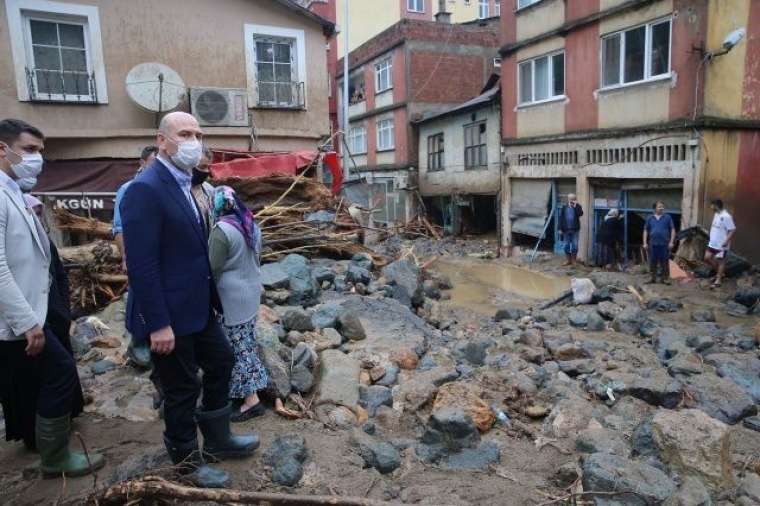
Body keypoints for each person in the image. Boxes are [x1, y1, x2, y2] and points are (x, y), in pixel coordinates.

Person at [121, 112, 257, 489]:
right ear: (162, 141)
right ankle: (186, 464)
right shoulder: (145, 189)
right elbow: (143, 265)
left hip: (198, 307)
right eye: (184, 133)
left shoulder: (188, 183)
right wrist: (158, 323)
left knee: (223, 360)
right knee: (181, 389)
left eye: (198, 133)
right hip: (168, 313)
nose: (193, 140)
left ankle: (218, 438)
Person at [0, 118, 104, 477]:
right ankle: (54, 457)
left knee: (50, 377)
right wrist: (28, 321)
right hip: (20, 317)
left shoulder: (13, 192)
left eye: (40, 151)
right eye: (29, 150)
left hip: (36, 309)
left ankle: (50, 451)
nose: (37, 158)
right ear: (3, 149)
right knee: (59, 374)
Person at [25, 194, 85, 430]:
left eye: (40, 213)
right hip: (30, 318)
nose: (38, 217)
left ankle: (68, 416)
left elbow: (59, 274)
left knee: (63, 366)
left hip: (55, 312)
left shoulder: (45, 240)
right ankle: (43, 438)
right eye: (34, 213)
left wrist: (62, 307)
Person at [209, 186, 268, 423]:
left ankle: (251, 400)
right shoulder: (250, 224)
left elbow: (212, 268)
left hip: (231, 299)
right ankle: (248, 390)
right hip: (251, 293)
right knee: (246, 344)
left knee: (238, 349)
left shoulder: (222, 230)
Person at [113, 145, 157, 369]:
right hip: (137, 254)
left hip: (159, 256)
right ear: (142, 163)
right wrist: (126, 257)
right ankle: (138, 342)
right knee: (138, 297)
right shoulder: (128, 189)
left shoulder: (162, 188)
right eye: (153, 161)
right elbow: (119, 228)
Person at [704, 198, 736, 288]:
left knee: (721, 261)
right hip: (712, 243)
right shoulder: (716, 214)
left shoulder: (726, 216)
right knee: (707, 258)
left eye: (712, 205)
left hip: (722, 244)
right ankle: (720, 273)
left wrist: (726, 241)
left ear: (716, 206)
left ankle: (718, 280)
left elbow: (732, 229)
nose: (710, 207)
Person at [643, 201, 676, 285]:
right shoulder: (650, 218)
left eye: (662, 207)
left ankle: (664, 279)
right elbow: (646, 230)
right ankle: (652, 278)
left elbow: (672, 229)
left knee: (664, 262)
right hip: (653, 244)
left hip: (664, 244)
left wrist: (671, 242)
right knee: (652, 261)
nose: (662, 208)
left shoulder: (667, 217)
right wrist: (645, 243)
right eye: (659, 207)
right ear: (655, 208)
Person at [191, 146, 216, 235]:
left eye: (208, 167)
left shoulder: (210, 190)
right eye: (202, 167)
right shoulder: (177, 191)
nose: (206, 171)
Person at [559, 193, 584, 266]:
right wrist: (559, 228)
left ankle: (574, 260)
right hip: (565, 230)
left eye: (573, 199)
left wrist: (575, 206)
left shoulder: (578, 206)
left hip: (575, 230)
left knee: (575, 245)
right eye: (570, 199)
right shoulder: (564, 206)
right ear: (568, 199)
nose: (571, 200)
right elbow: (561, 218)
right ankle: (568, 260)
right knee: (566, 245)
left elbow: (580, 214)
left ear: (575, 199)